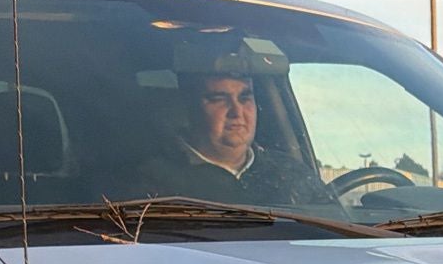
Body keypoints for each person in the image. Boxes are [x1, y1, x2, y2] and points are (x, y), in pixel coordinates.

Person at [137, 71, 331, 208]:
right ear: (190, 109)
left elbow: (333, 235)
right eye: (219, 99)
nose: (237, 112)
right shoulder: (151, 180)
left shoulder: (291, 174)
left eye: (245, 98)